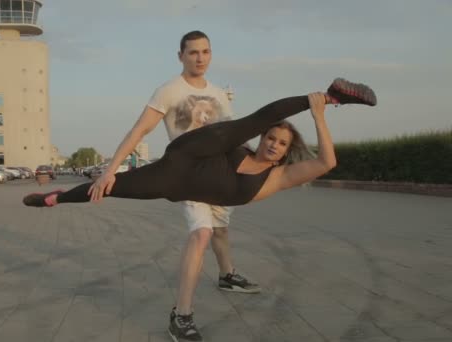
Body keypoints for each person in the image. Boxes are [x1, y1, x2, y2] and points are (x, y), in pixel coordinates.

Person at [24, 78, 377, 341]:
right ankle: (330, 95)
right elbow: (257, 123)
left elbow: (328, 161)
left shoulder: (278, 177)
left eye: (281, 143)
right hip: (195, 151)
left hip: (172, 181)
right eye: (270, 138)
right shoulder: (241, 148)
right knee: (246, 125)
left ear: (287, 151)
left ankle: (54, 197)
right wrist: (315, 103)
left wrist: (319, 118)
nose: (273, 145)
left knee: (113, 190)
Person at [83, 30, 261, 342]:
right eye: (193, 52)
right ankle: (182, 316)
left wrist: (259, 160)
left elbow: (232, 137)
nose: (200, 58)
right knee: (202, 233)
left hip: (220, 175)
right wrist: (110, 170)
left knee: (220, 228)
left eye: (205, 52)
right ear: (180, 56)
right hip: (189, 176)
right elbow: (139, 130)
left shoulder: (219, 94)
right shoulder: (168, 91)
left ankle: (227, 275)